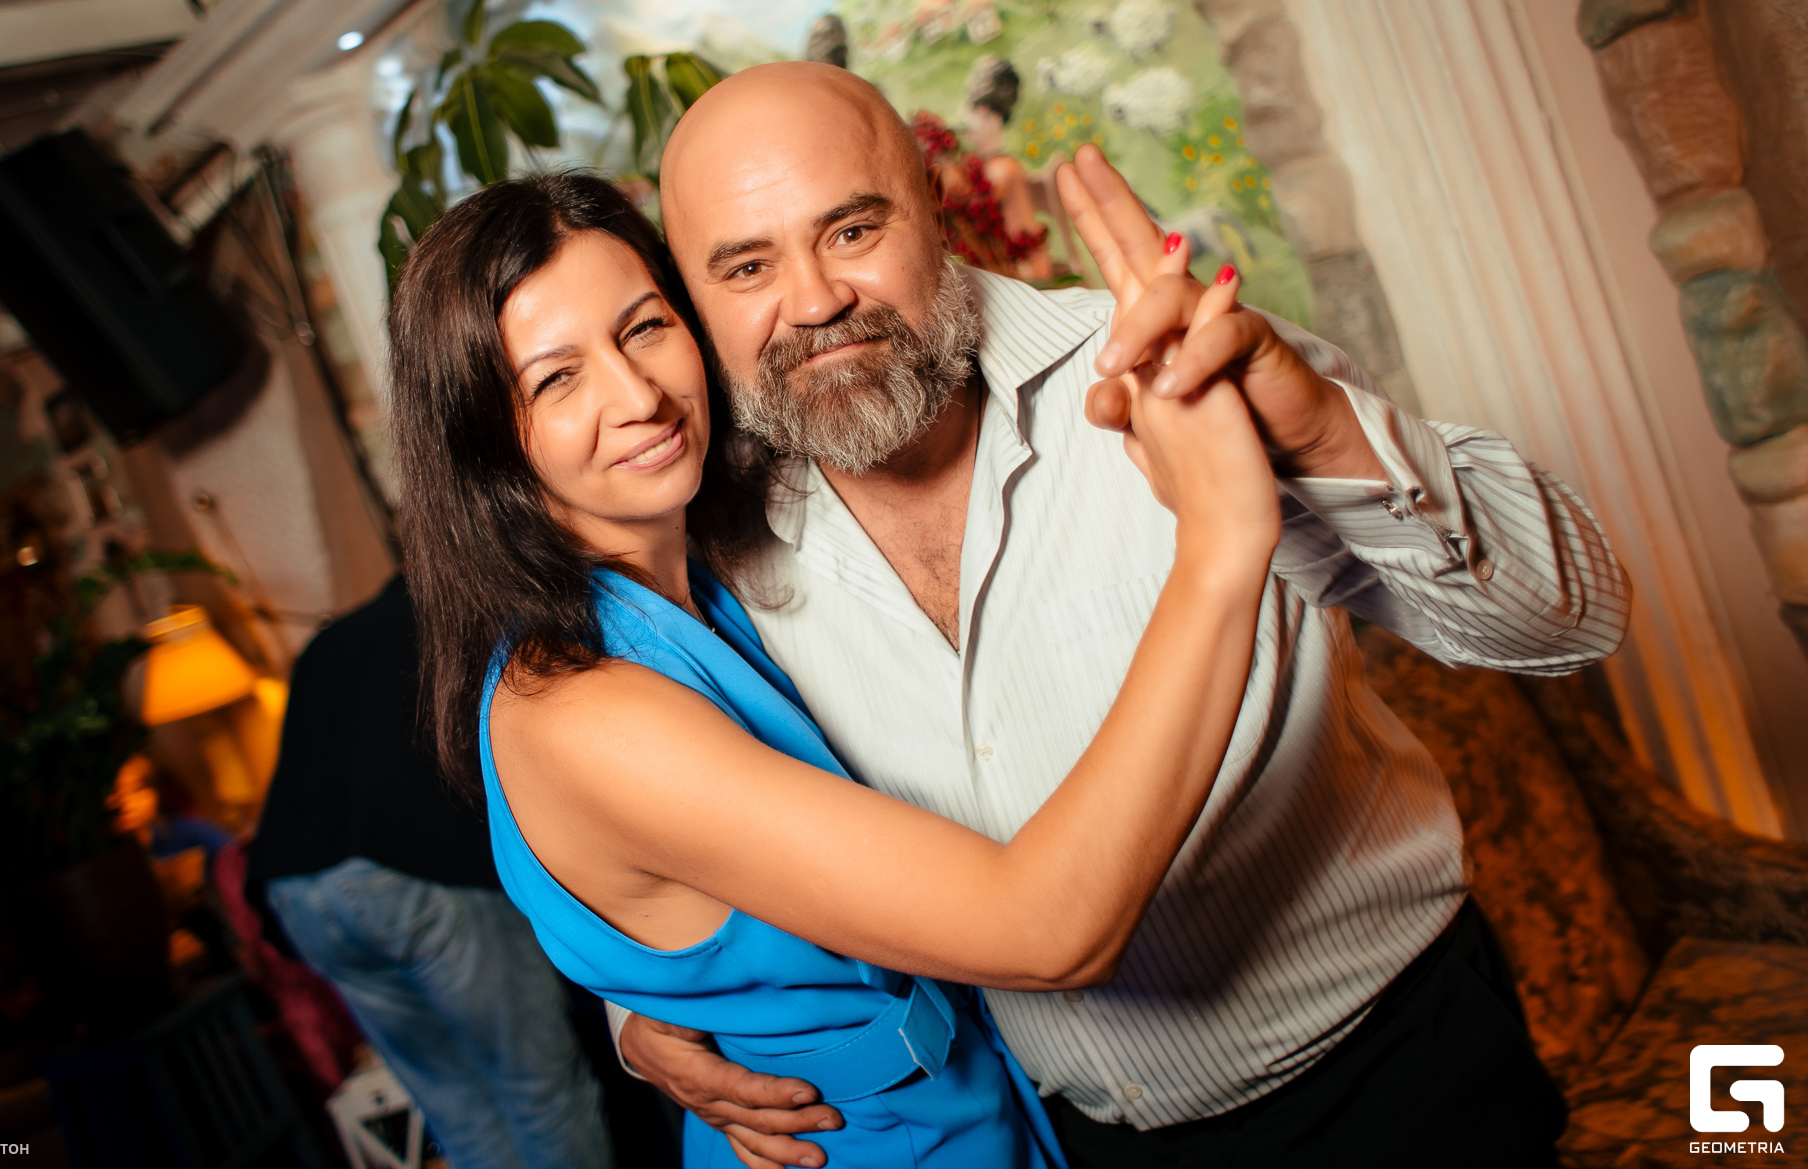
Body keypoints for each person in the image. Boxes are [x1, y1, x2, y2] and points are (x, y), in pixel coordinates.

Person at [600, 62, 1630, 1169]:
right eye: (747, 266)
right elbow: (693, 798)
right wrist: (651, 1007)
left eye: (852, 231)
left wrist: (1328, 434)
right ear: (692, 301)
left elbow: (1569, 616)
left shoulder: (1179, 373)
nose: (813, 302)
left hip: (1393, 1079)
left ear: (936, 209)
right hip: (1072, 1136)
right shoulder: (705, 531)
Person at [389, 168, 1284, 1168]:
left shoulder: (702, 572)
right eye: (555, 379)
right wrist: (1223, 542)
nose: (637, 396)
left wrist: (655, 1004)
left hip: (974, 1109)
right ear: (481, 438)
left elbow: (683, 895)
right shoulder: (585, 711)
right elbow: (1048, 930)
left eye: (643, 329)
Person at [248, 576, 614, 1169]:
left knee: (457, 1111)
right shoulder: (459, 620)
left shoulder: (329, 642)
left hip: (301, 893)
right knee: (541, 1093)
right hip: (414, 874)